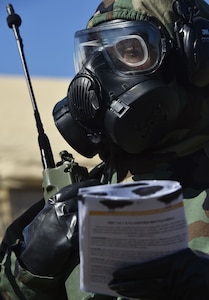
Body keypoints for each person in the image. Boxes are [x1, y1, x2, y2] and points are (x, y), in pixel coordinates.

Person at [1, 0, 209, 299]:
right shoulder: (70, 210)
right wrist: (27, 271)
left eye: (130, 51)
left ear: (193, 57)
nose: (99, 75)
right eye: (93, 56)